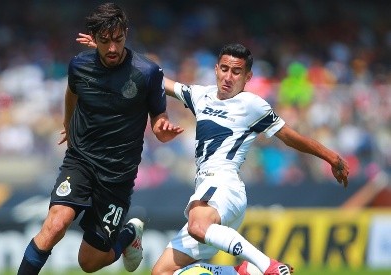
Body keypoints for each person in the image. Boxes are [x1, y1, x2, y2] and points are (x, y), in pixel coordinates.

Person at [75, 39, 349, 274]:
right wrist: (113, 51)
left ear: (248, 77)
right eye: (225, 69)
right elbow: (156, 77)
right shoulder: (201, 96)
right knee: (162, 271)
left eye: (237, 72)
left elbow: (290, 136)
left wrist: (332, 158)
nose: (229, 77)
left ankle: (269, 267)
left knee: (197, 224)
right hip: (209, 191)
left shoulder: (253, 105)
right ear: (216, 69)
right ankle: (241, 271)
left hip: (224, 184)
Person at [17, 3, 184, 274]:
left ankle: (129, 235)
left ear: (126, 34)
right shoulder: (79, 65)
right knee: (55, 225)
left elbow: (158, 120)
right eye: (105, 42)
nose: (113, 49)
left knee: (89, 262)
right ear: (94, 39)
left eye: (118, 40)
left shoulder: (147, 72)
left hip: (117, 176)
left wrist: (162, 130)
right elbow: (72, 92)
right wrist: (67, 123)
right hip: (80, 161)